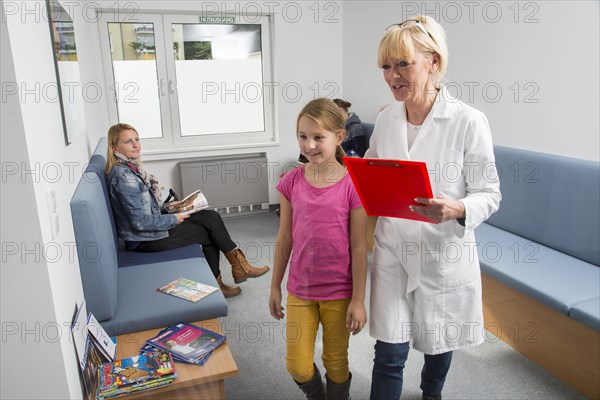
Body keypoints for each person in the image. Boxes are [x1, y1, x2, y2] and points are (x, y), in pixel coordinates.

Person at [366, 16, 501, 400]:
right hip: (393, 248)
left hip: (441, 252)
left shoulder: (468, 121)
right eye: (386, 66)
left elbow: (489, 193)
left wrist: (457, 207)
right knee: (389, 352)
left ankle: (431, 393)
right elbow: (375, 168)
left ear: (434, 63)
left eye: (403, 64)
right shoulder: (386, 117)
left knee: (439, 341)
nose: (392, 75)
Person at [269, 98, 368, 400]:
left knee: (335, 363)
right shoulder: (291, 181)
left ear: (339, 137)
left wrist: (359, 300)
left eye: (318, 137)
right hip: (300, 289)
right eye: (302, 136)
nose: (309, 145)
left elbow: (360, 245)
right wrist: (275, 286)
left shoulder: (354, 184)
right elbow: (284, 237)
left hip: (339, 291)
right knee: (297, 365)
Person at [104, 123, 270, 298]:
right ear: (115, 148)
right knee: (208, 235)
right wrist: (174, 218)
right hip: (143, 240)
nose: (136, 145)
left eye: (137, 139)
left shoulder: (130, 169)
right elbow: (139, 221)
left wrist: (170, 208)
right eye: (128, 142)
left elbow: (145, 209)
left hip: (150, 230)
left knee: (210, 216)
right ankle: (232, 274)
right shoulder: (123, 177)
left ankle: (240, 267)